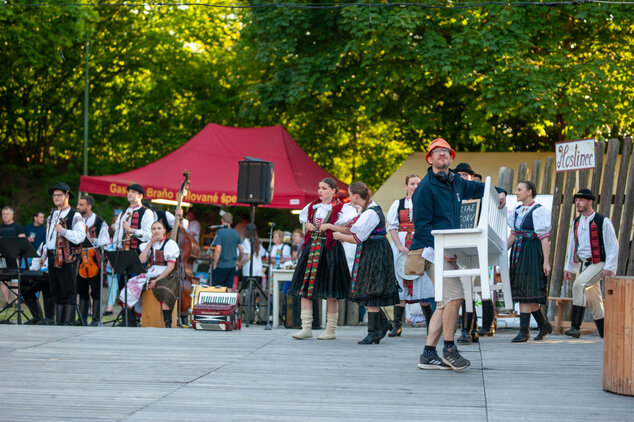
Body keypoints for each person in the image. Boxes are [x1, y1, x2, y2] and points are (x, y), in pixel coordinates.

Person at [409, 138, 506, 371]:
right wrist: (444, 251)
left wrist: (501, 192)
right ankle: (449, 349)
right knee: (454, 297)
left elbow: (483, 189)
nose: (442, 154)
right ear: (429, 159)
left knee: (444, 302)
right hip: (430, 250)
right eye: (437, 152)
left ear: (451, 157)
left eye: (446, 151)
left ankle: (428, 354)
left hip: (446, 250)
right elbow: (422, 229)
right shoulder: (424, 188)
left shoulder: (457, 181)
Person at [328, 181, 400, 344]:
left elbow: (357, 238)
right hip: (372, 250)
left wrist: (338, 236)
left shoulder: (370, 213)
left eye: (349, 194)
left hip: (375, 252)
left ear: (355, 196)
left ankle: (374, 332)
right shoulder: (367, 209)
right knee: (366, 288)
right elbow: (355, 230)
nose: (348, 197)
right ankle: (382, 325)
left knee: (370, 289)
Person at [288, 177, 358, 340]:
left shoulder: (342, 208)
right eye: (319, 187)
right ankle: (306, 328)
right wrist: (307, 225)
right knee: (305, 288)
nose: (320, 191)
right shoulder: (312, 206)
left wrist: (330, 227)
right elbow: (305, 220)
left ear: (333, 191)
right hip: (311, 249)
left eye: (324, 188)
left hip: (330, 249)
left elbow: (349, 229)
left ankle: (330, 330)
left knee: (331, 291)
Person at [564, 188, 618, 339]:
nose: (578, 203)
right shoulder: (576, 222)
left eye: (581, 200)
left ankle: (575, 327)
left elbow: (612, 245)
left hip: (599, 263)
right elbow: (573, 245)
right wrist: (570, 267)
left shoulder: (602, 221)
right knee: (594, 300)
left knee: (579, 285)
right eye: (576, 201)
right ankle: (605, 333)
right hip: (585, 264)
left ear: (590, 201)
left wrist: (609, 266)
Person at [386, 174, 434, 337]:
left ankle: (431, 325)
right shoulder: (398, 204)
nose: (414, 186)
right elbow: (392, 226)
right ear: (406, 186)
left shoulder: (428, 203)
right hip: (401, 245)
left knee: (422, 281)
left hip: (420, 244)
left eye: (417, 184)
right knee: (399, 282)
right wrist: (399, 246)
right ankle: (397, 325)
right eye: (412, 183)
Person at [507, 181, 553, 342]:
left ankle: (524, 331)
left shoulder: (539, 211)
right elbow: (513, 236)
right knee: (524, 291)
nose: (516, 192)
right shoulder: (517, 211)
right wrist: (498, 252)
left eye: (519, 189)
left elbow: (544, 238)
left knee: (526, 291)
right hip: (518, 252)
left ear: (529, 192)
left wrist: (546, 262)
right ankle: (544, 324)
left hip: (532, 251)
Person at [40, 182, 86, 325]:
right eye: (54, 195)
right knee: (56, 289)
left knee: (69, 289)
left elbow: (80, 236)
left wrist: (63, 231)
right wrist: (44, 255)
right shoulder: (51, 216)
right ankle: (59, 322)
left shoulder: (75, 215)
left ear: (67, 196)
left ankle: (69, 322)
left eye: (59, 195)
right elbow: (49, 239)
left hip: (68, 257)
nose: (56, 197)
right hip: (53, 255)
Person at [119, 221, 180, 327]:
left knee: (164, 288)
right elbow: (141, 260)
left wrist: (156, 281)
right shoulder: (150, 244)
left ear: (164, 230)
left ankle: (167, 323)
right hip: (152, 271)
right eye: (154, 229)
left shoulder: (170, 244)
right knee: (130, 285)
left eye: (159, 228)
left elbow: (170, 267)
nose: (156, 231)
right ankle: (131, 321)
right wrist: (150, 244)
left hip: (167, 273)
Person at [453, 162, 481, 344]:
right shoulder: (452, 197)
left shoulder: (479, 197)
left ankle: (467, 330)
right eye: (459, 174)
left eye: (466, 174)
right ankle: (471, 329)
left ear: (471, 177)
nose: (462, 177)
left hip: (475, 248)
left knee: (468, 288)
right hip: (455, 247)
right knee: (463, 289)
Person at [76, 195, 110, 326]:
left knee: (95, 291)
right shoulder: (76, 220)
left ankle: (96, 319)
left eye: (81, 205)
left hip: (94, 260)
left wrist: (92, 240)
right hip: (79, 260)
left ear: (89, 206)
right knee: (82, 290)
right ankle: (82, 318)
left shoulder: (100, 222)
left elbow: (105, 242)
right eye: (78, 204)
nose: (78, 207)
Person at [211, 213, 243, 292]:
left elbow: (218, 249)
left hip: (221, 265)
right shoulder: (236, 233)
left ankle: (217, 304)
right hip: (232, 265)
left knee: (217, 288)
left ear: (222, 220)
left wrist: (215, 264)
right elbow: (241, 250)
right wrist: (238, 260)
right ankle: (227, 304)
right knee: (229, 287)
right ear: (231, 221)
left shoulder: (220, 232)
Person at [0, 206, 26, 304]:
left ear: (12, 215)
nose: (5, 216)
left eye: (7, 214)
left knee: (15, 280)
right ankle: (8, 302)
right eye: (3, 214)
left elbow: (22, 242)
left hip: (14, 257)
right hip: (2, 257)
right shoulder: (0, 227)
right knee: (2, 280)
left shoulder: (18, 227)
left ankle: (16, 302)